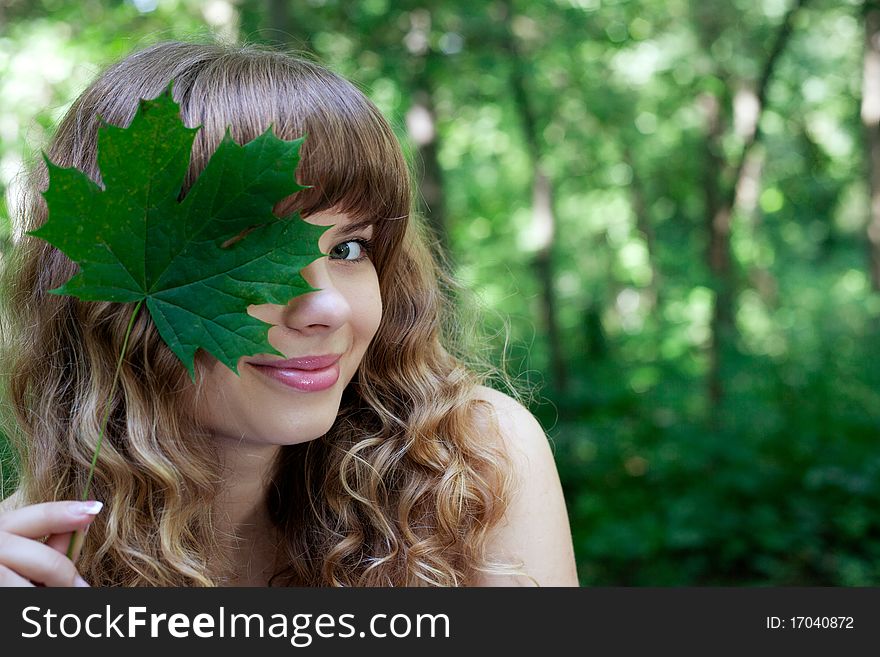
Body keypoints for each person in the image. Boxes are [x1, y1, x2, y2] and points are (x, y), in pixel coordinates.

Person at [0, 41, 577, 587]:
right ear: (111, 284)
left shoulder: (472, 467)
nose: (326, 307)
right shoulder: (28, 563)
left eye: (349, 249)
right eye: (252, 249)